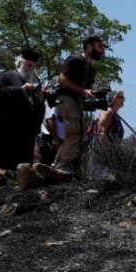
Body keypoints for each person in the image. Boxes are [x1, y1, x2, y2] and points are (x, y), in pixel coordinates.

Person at [53, 35, 108, 172]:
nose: (102, 51)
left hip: (76, 102)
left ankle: (63, 168)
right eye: (100, 46)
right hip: (66, 99)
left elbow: (85, 92)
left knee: (80, 134)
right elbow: (62, 79)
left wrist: (96, 95)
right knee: (73, 132)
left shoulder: (91, 69)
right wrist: (82, 90)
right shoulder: (75, 60)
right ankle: (61, 168)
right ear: (89, 46)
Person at [0, 49, 45, 169]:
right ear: (20, 63)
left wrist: (42, 99)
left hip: (24, 135)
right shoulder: (9, 76)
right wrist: (20, 90)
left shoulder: (34, 85)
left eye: (33, 67)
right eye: (28, 65)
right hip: (6, 132)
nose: (30, 69)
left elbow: (37, 109)